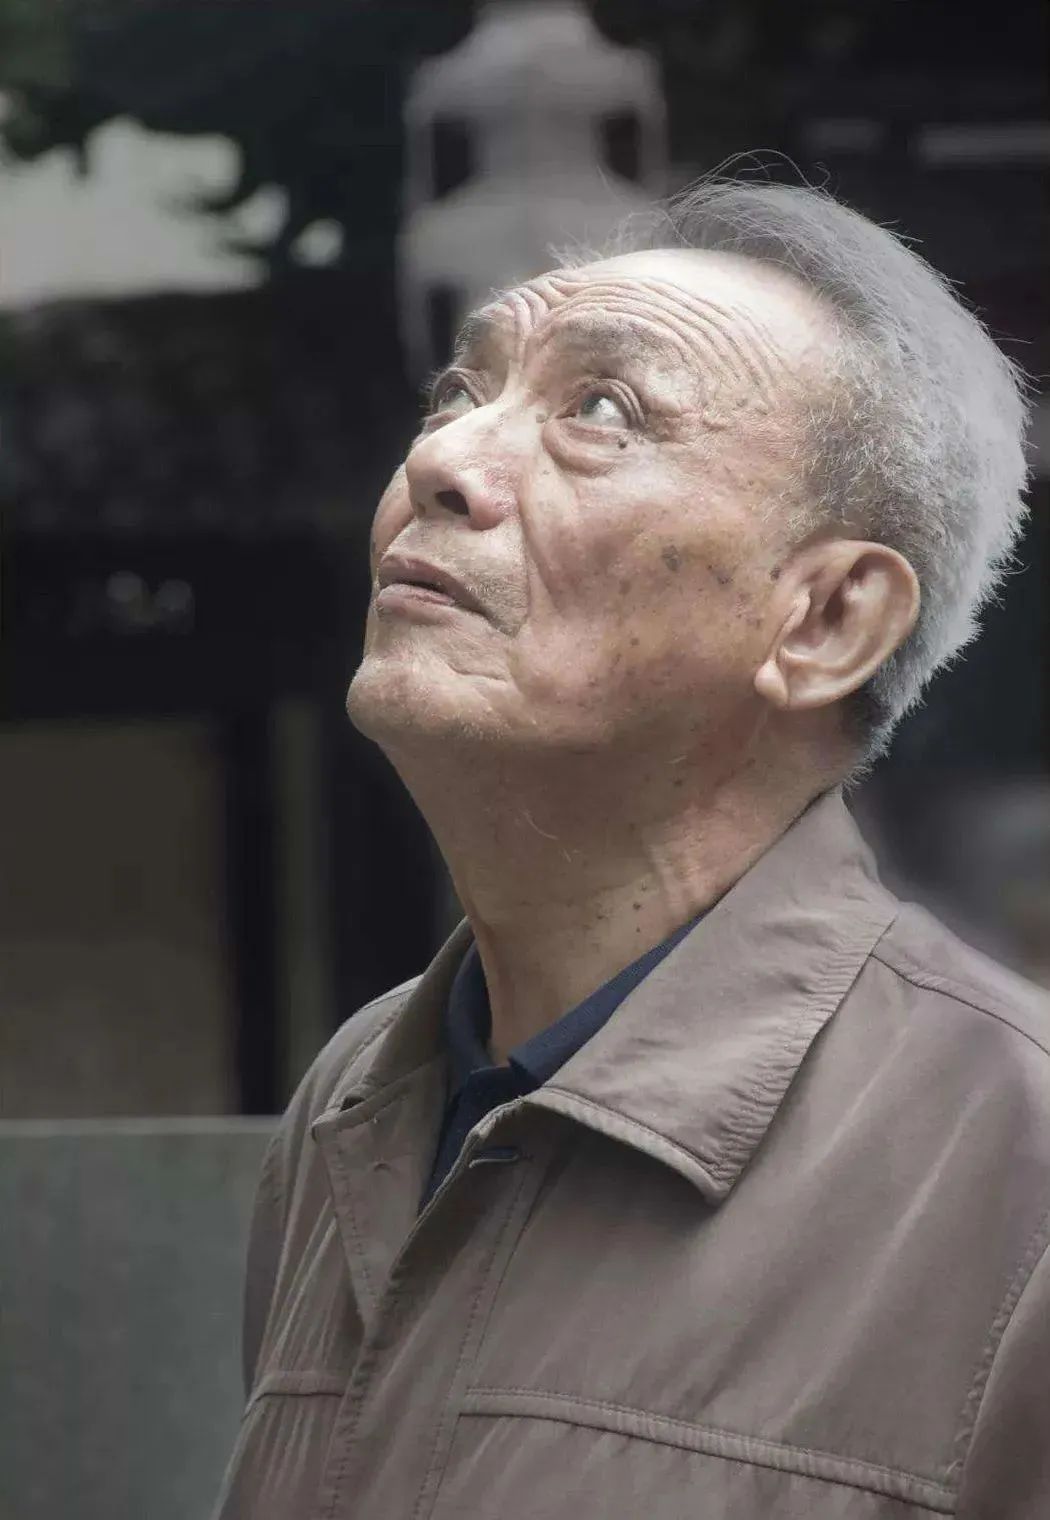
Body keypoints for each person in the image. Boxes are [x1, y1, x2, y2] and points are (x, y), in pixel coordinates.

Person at [213, 178, 1049, 1519]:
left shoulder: (1015, 1169)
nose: (442, 459)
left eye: (602, 412)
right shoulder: (357, 1105)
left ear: (827, 620)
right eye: (458, 390)